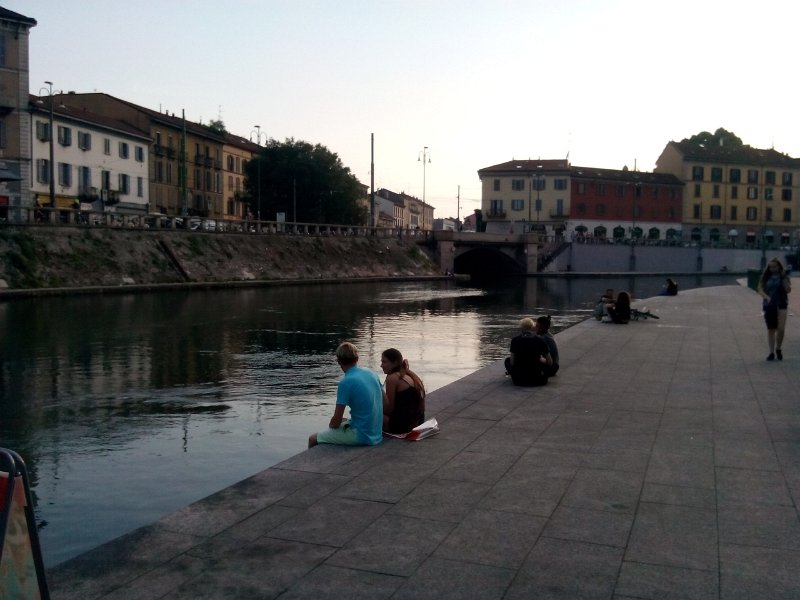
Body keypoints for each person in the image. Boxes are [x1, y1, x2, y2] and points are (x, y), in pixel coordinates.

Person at [308, 342, 383, 448]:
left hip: (362, 436)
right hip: (376, 433)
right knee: (344, 421)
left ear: (338, 361)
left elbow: (336, 421)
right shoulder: (371, 373)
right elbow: (385, 402)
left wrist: (332, 424)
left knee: (312, 439)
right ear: (357, 359)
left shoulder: (346, 382)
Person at [380, 348, 426, 434]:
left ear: (395, 363)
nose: (381, 365)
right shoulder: (409, 375)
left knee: (370, 414)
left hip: (403, 427)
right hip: (417, 423)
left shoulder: (393, 378)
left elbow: (389, 409)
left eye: (384, 362)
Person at [758, 257, 791, 361]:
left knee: (781, 329)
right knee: (771, 329)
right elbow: (760, 289)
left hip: (782, 303)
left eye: (774, 267)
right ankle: (771, 352)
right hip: (769, 305)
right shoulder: (765, 276)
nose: (772, 269)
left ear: (779, 267)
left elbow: (788, 290)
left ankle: (778, 348)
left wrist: (784, 278)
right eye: (770, 267)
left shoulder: (783, 276)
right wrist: (766, 297)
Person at [504, 317, 552, 386]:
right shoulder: (540, 340)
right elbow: (550, 362)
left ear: (521, 328)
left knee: (507, 361)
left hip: (519, 381)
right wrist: (541, 359)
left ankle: (516, 374)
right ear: (532, 327)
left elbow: (512, 363)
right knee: (554, 365)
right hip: (539, 380)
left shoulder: (515, 340)